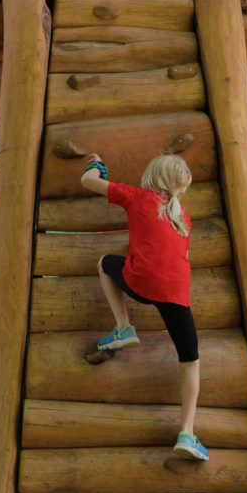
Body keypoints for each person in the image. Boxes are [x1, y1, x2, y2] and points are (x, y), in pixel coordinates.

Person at [80, 152, 207, 461]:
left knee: (104, 263)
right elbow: (182, 258)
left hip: (139, 283)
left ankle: (124, 327)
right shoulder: (183, 217)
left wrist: (96, 165)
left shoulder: (137, 196)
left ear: (152, 176)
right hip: (175, 294)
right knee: (190, 361)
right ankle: (187, 433)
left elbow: (87, 182)